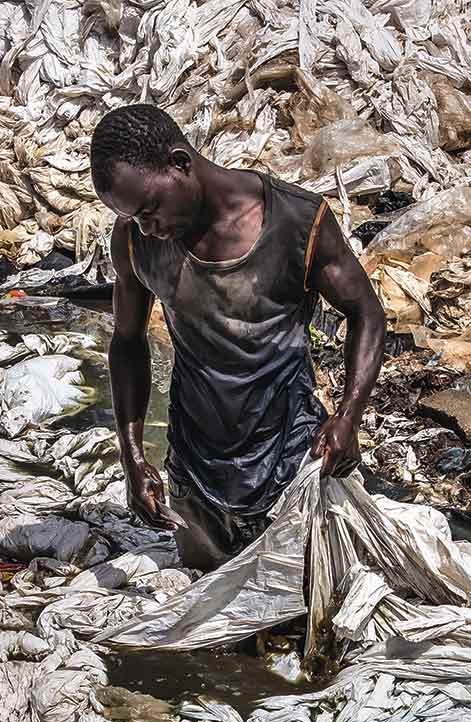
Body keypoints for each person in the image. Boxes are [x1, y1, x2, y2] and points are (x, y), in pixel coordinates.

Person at [90, 103, 385, 572]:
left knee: (303, 606)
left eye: (150, 210)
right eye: (135, 217)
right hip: (196, 471)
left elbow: (365, 311)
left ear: (180, 164)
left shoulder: (294, 221)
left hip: (290, 457)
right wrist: (132, 455)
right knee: (212, 606)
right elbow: (127, 342)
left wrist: (349, 415)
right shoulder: (134, 241)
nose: (148, 227)